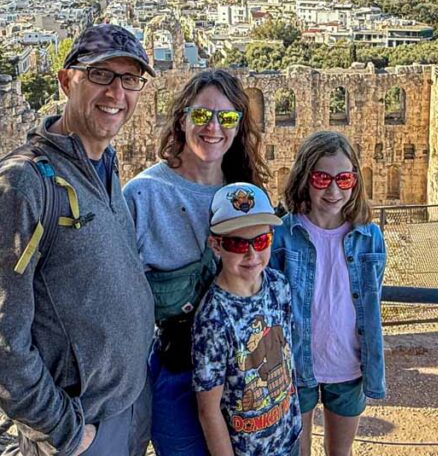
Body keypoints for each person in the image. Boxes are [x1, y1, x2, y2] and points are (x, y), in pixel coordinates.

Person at [0, 24, 157, 456]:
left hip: (128, 405)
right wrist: (64, 430)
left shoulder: (103, 164)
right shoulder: (20, 186)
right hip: (82, 427)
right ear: (67, 80)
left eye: (130, 79)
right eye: (101, 75)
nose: (117, 93)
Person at [123, 69, 269, 456]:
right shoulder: (143, 196)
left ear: (239, 125)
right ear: (182, 119)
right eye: (202, 115)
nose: (213, 127)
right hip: (178, 375)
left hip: (245, 372)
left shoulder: (244, 194)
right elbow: (117, 302)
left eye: (227, 117)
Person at [270, 131, 387, 456]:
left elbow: (370, 302)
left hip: (348, 364)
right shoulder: (282, 235)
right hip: (296, 366)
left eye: (343, 179)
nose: (334, 191)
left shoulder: (370, 237)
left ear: (355, 181)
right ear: (305, 178)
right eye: (322, 179)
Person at [192, 182, 301, 456]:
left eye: (261, 241)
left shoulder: (278, 285)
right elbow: (208, 410)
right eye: (237, 244)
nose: (251, 255)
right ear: (216, 245)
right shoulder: (213, 319)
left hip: (289, 435)